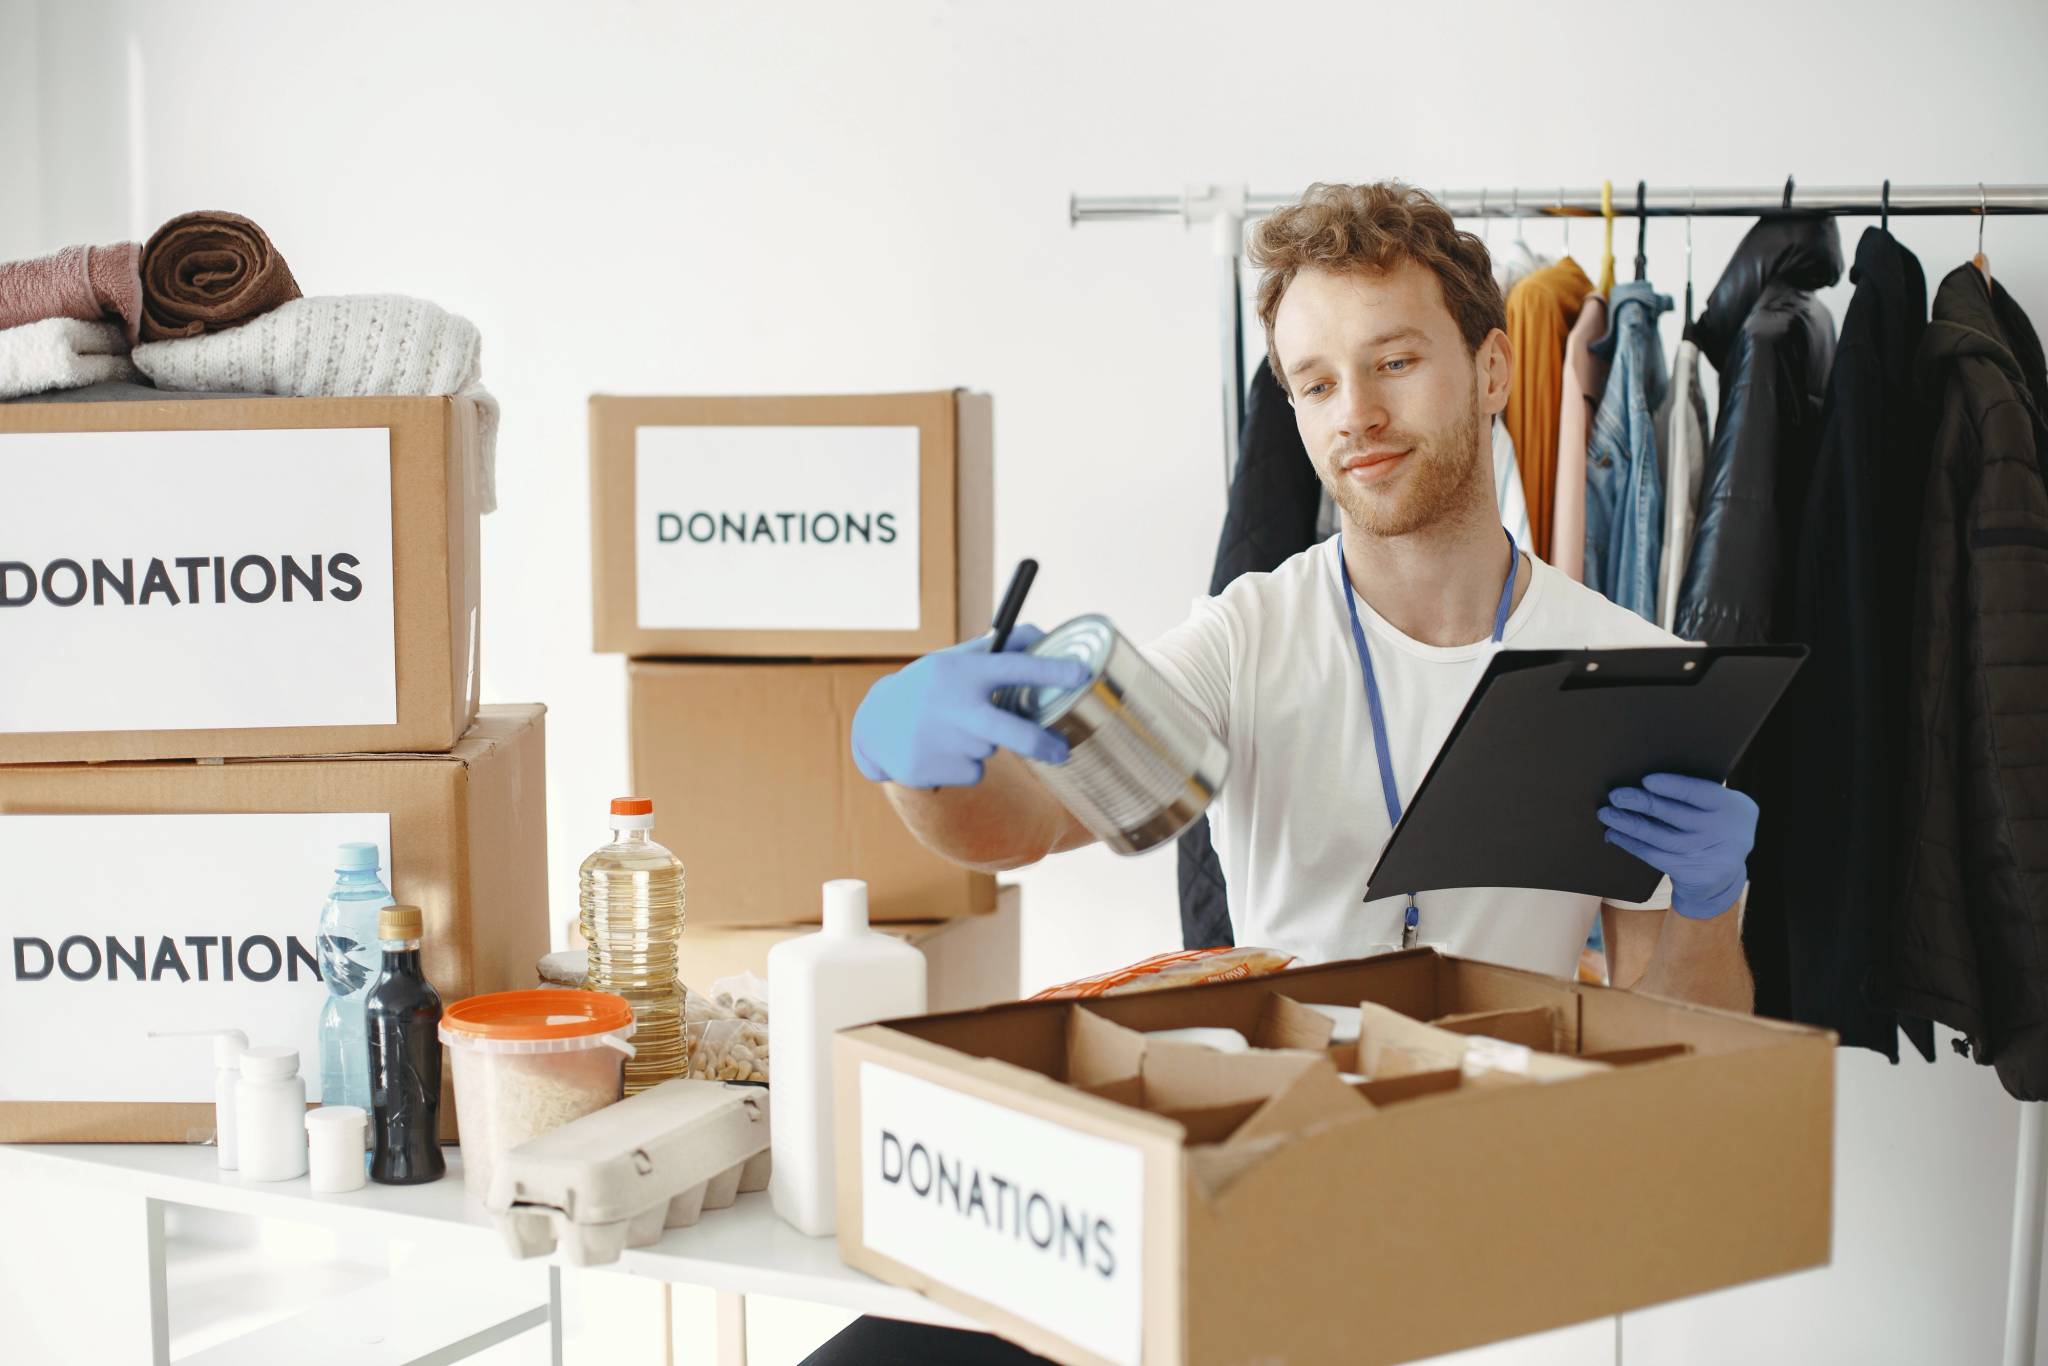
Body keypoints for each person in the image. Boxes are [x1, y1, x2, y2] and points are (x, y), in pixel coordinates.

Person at [805, 182, 1757, 1365]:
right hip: (1251, 1158)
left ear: (1495, 370)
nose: (1352, 412)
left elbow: (1685, 1053)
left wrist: (1710, 907)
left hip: (1474, 1198)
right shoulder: (1247, 634)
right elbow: (1027, 823)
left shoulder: (1630, 668)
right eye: (1312, 384)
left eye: (1393, 361)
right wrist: (915, 755)